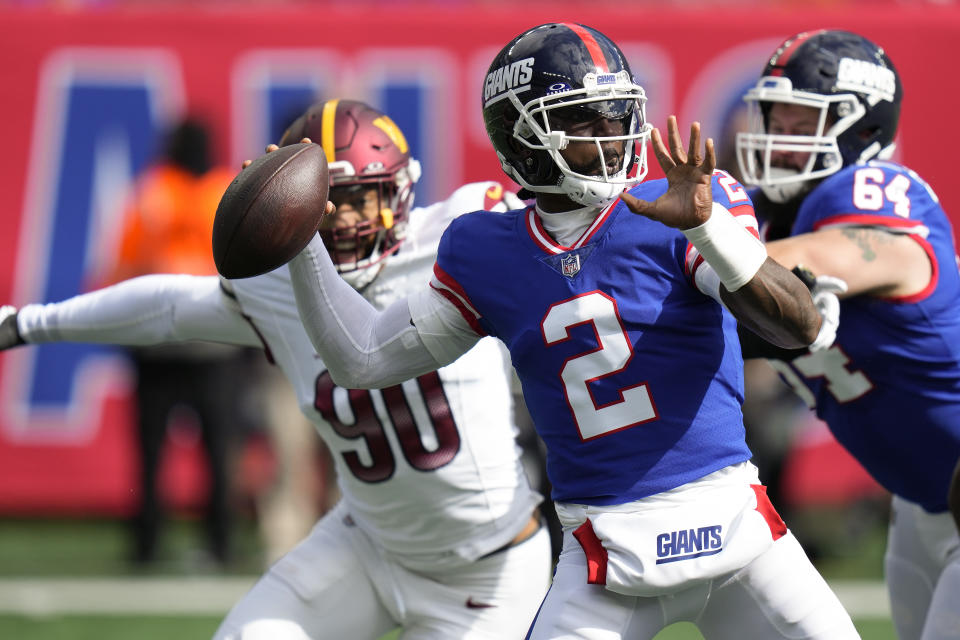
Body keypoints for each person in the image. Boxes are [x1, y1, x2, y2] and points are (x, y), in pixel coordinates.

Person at [283, 23, 859, 639]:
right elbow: (362, 359)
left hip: (739, 534)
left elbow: (802, 327)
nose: (614, 134)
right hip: (605, 558)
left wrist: (707, 229)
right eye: (585, 120)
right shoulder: (487, 252)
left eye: (617, 113)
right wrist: (298, 239)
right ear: (523, 139)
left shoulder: (679, 208)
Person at [0, 99, 551, 639]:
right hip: (364, 545)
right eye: (325, 204)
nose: (342, 221)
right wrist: (28, 323)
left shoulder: (460, 239)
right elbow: (169, 308)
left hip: (490, 566)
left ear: (400, 191)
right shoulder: (282, 287)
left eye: (359, 199)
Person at [735, 28, 960, 640]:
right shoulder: (759, 213)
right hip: (922, 505)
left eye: (797, 117)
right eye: (772, 112)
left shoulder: (880, 195)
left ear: (863, 131)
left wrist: (686, 256)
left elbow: (824, 258)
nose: (775, 133)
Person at [106, 117, 246, 567]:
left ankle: (148, 547)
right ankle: (218, 544)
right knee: (217, 451)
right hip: (212, 340)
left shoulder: (152, 192)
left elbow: (124, 267)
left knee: (157, 454)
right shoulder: (226, 191)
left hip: (162, 339)